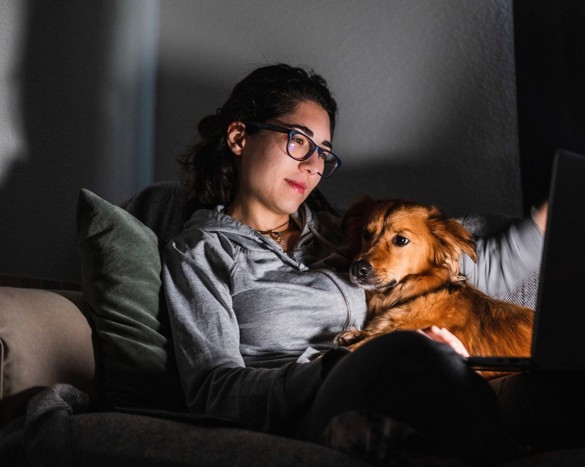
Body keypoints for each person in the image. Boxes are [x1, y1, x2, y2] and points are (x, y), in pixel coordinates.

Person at [162, 63, 547, 464]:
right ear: (240, 137)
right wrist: (333, 367)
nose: (313, 165)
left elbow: (458, 267)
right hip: (311, 405)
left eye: (324, 153)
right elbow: (213, 391)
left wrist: (553, 217)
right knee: (408, 361)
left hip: (397, 378)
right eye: (299, 140)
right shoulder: (201, 252)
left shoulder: (341, 231)